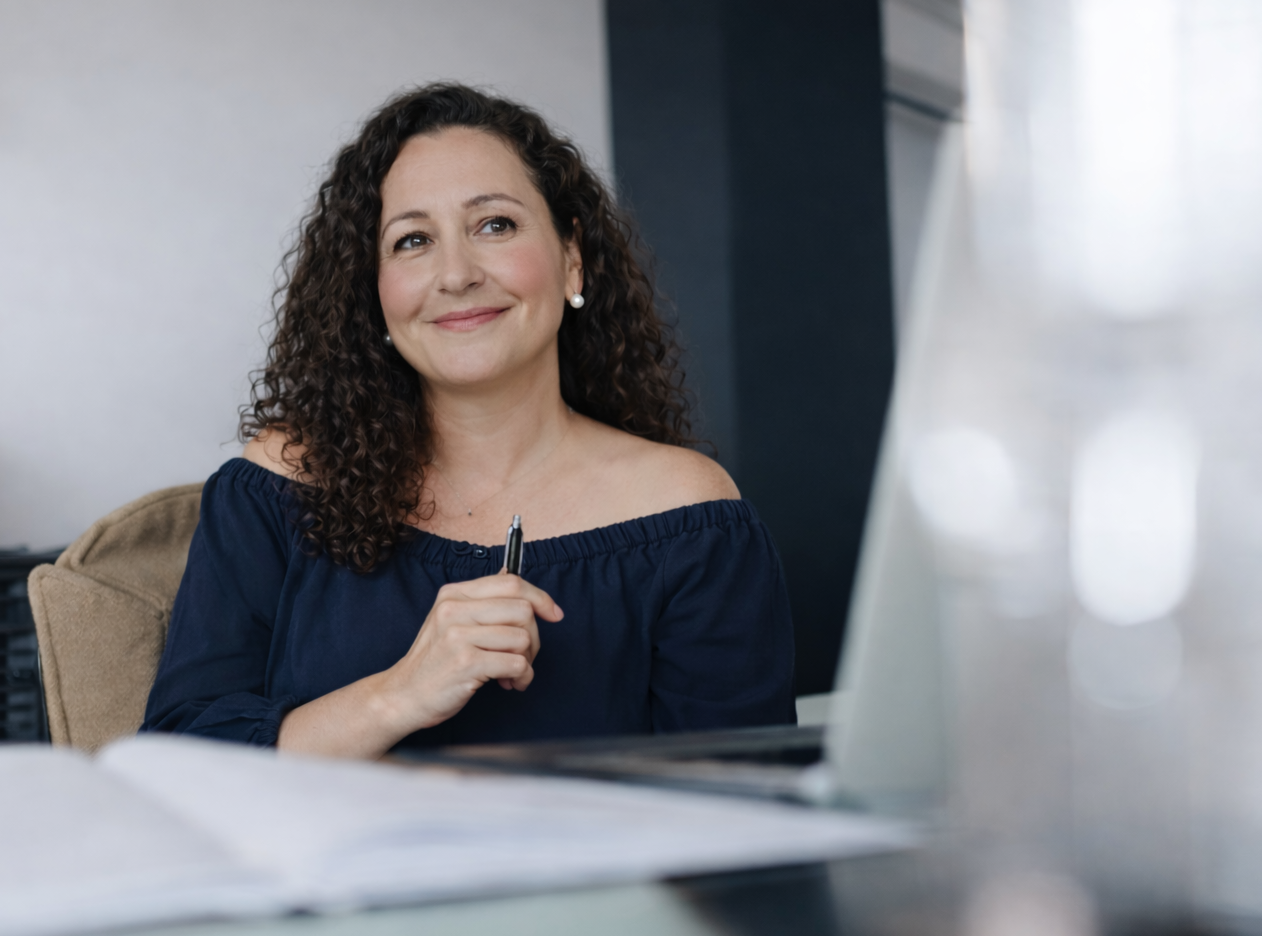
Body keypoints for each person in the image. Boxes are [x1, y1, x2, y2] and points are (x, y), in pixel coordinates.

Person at [142, 83, 795, 758]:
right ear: (373, 294)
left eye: (495, 225)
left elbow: (743, 808)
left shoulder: (693, 517)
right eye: (413, 239)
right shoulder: (278, 488)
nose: (455, 274)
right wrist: (401, 693)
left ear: (573, 258)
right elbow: (182, 763)